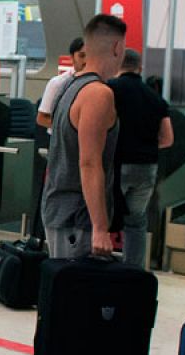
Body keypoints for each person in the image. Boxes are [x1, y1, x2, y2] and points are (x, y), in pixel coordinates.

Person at [40, 16, 125, 260]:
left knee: (63, 280)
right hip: (78, 219)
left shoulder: (69, 85)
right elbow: (89, 163)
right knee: (77, 283)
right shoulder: (98, 94)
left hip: (60, 210)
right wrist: (100, 227)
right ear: (117, 48)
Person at [108, 49, 173, 269]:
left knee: (102, 217)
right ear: (140, 68)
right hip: (146, 168)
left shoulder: (109, 90)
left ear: (118, 64)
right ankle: (133, 271)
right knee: (136, 222)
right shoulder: (155, 98)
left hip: (117, 165)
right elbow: (168, 139)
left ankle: (95, 267)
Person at [35, 37, 86, 134]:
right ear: (72, 58)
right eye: (81, 56)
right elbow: (41, 118)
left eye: (90, 57)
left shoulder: (98, 83)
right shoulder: (58, 83)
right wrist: (71, 128)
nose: (85, 61)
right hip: (61, 137)